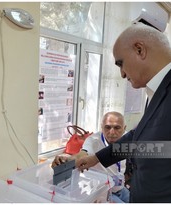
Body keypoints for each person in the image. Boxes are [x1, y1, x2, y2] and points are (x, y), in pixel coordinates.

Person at [76, 22, 171, 203]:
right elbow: (148, 143)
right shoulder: (156, 91)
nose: (122, 74)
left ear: (139, 50)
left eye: (121, 63)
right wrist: (96, 158)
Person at [52, 111, 130, 203]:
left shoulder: (127, 139)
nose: (112, 132)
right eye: (107, 127)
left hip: (121, 188)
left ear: (124, 128)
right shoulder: (93, 141)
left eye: (117, 128)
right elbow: (83, 154)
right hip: (105, 192)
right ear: (101, 127)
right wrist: (66, 160)